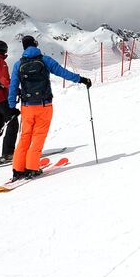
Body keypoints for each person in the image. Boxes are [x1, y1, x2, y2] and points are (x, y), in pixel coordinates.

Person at [7, 35, 88, 180]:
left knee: (25, 137)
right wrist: (81, 79)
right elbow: (63, 73)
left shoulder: (18, 64)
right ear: (35, 45)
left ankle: (18, 169)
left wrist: (12, 106)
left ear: (24, 47)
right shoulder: (45, 60)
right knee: (38, 136)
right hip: (44, 106)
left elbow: (12, 86)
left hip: (26, 107)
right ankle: (32, 167)